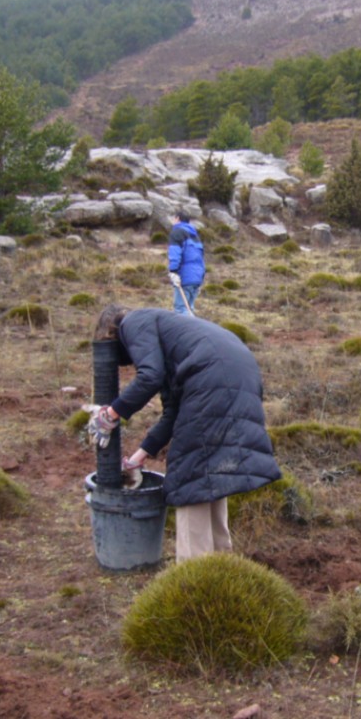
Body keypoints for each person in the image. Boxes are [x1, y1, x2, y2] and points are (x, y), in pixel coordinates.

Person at [88, 305, 281, 562]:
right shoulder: (170, 336)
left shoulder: (133, 322)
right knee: (210, 471)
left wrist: (111, 414)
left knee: (189, 473)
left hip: (212, 376)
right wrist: (139, 457)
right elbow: (172, 413)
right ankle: (221, 564)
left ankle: (193, 573)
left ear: (111, 333)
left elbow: (150, 377)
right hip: (239, 372)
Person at [167, 212, 205, 315]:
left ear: (177, 218)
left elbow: (175, 253)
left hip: (185, 276)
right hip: (197, 276)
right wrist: (201, 278)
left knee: (181, 309)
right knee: (190, 308)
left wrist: (173, 271)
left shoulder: (177, 233)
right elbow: (200, 258)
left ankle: (191, 331)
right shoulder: (195, 236)